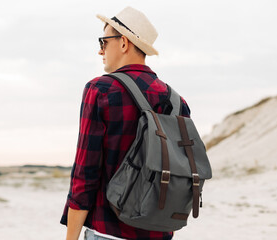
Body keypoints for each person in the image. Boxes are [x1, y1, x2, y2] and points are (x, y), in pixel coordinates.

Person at [60, 6, 190, 240]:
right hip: (159, 233)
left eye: (103, 42)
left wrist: (71, 237)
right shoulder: (177, 101)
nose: (100, 51)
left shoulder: (100, 90)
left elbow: (85, 173)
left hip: (109, 232)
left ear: (123, 42)